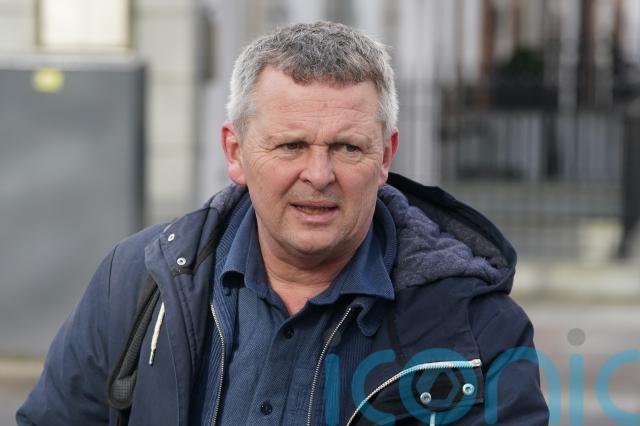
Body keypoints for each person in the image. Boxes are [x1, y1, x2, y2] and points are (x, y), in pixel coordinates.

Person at [17, 21, 548, 425]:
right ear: (235, 152)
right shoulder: (139, 281)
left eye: (347, 147)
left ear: (386, 156)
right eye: (291, 145)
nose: (319, 175)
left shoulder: (477, 331)